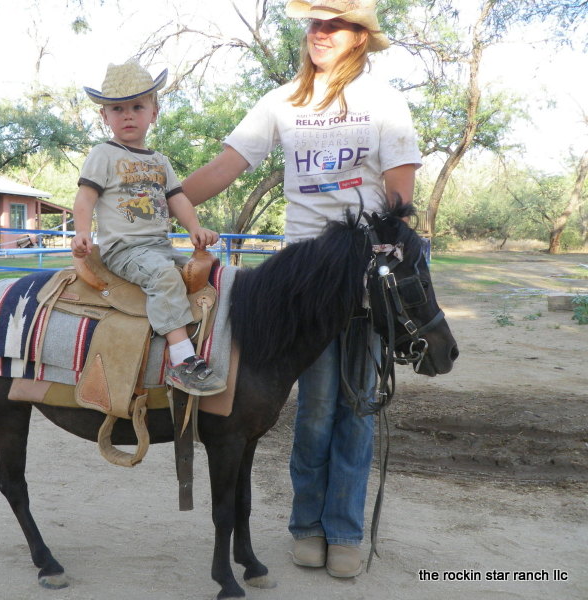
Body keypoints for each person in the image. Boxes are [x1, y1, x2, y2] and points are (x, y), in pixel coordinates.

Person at [182, 0, 421, 578]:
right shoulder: (282, 101)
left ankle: (343, 531)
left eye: (332, 24)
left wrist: (386, 254)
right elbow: (227, 165)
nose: (318, 33)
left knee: (358, 405)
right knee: (313, 408)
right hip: (301, 280)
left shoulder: (383, 102)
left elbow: (399, 193)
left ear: (359, 38)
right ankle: (306, 526)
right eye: (314, 23)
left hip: (359, 272)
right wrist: (166, 198)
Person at [72, 59, 226, 396]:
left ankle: (219, 346)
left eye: (137, 106)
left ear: (153, 113)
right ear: (104, 117)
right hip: (124, 248)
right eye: (117, 108)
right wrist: (82, 232)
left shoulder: (160, 161)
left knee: (213, 274)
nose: (128, 115)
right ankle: (182, 360)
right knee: (164, 277)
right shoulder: (103, 154)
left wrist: (195, 229)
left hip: (159, 245)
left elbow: (179, 199)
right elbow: (85, 199)